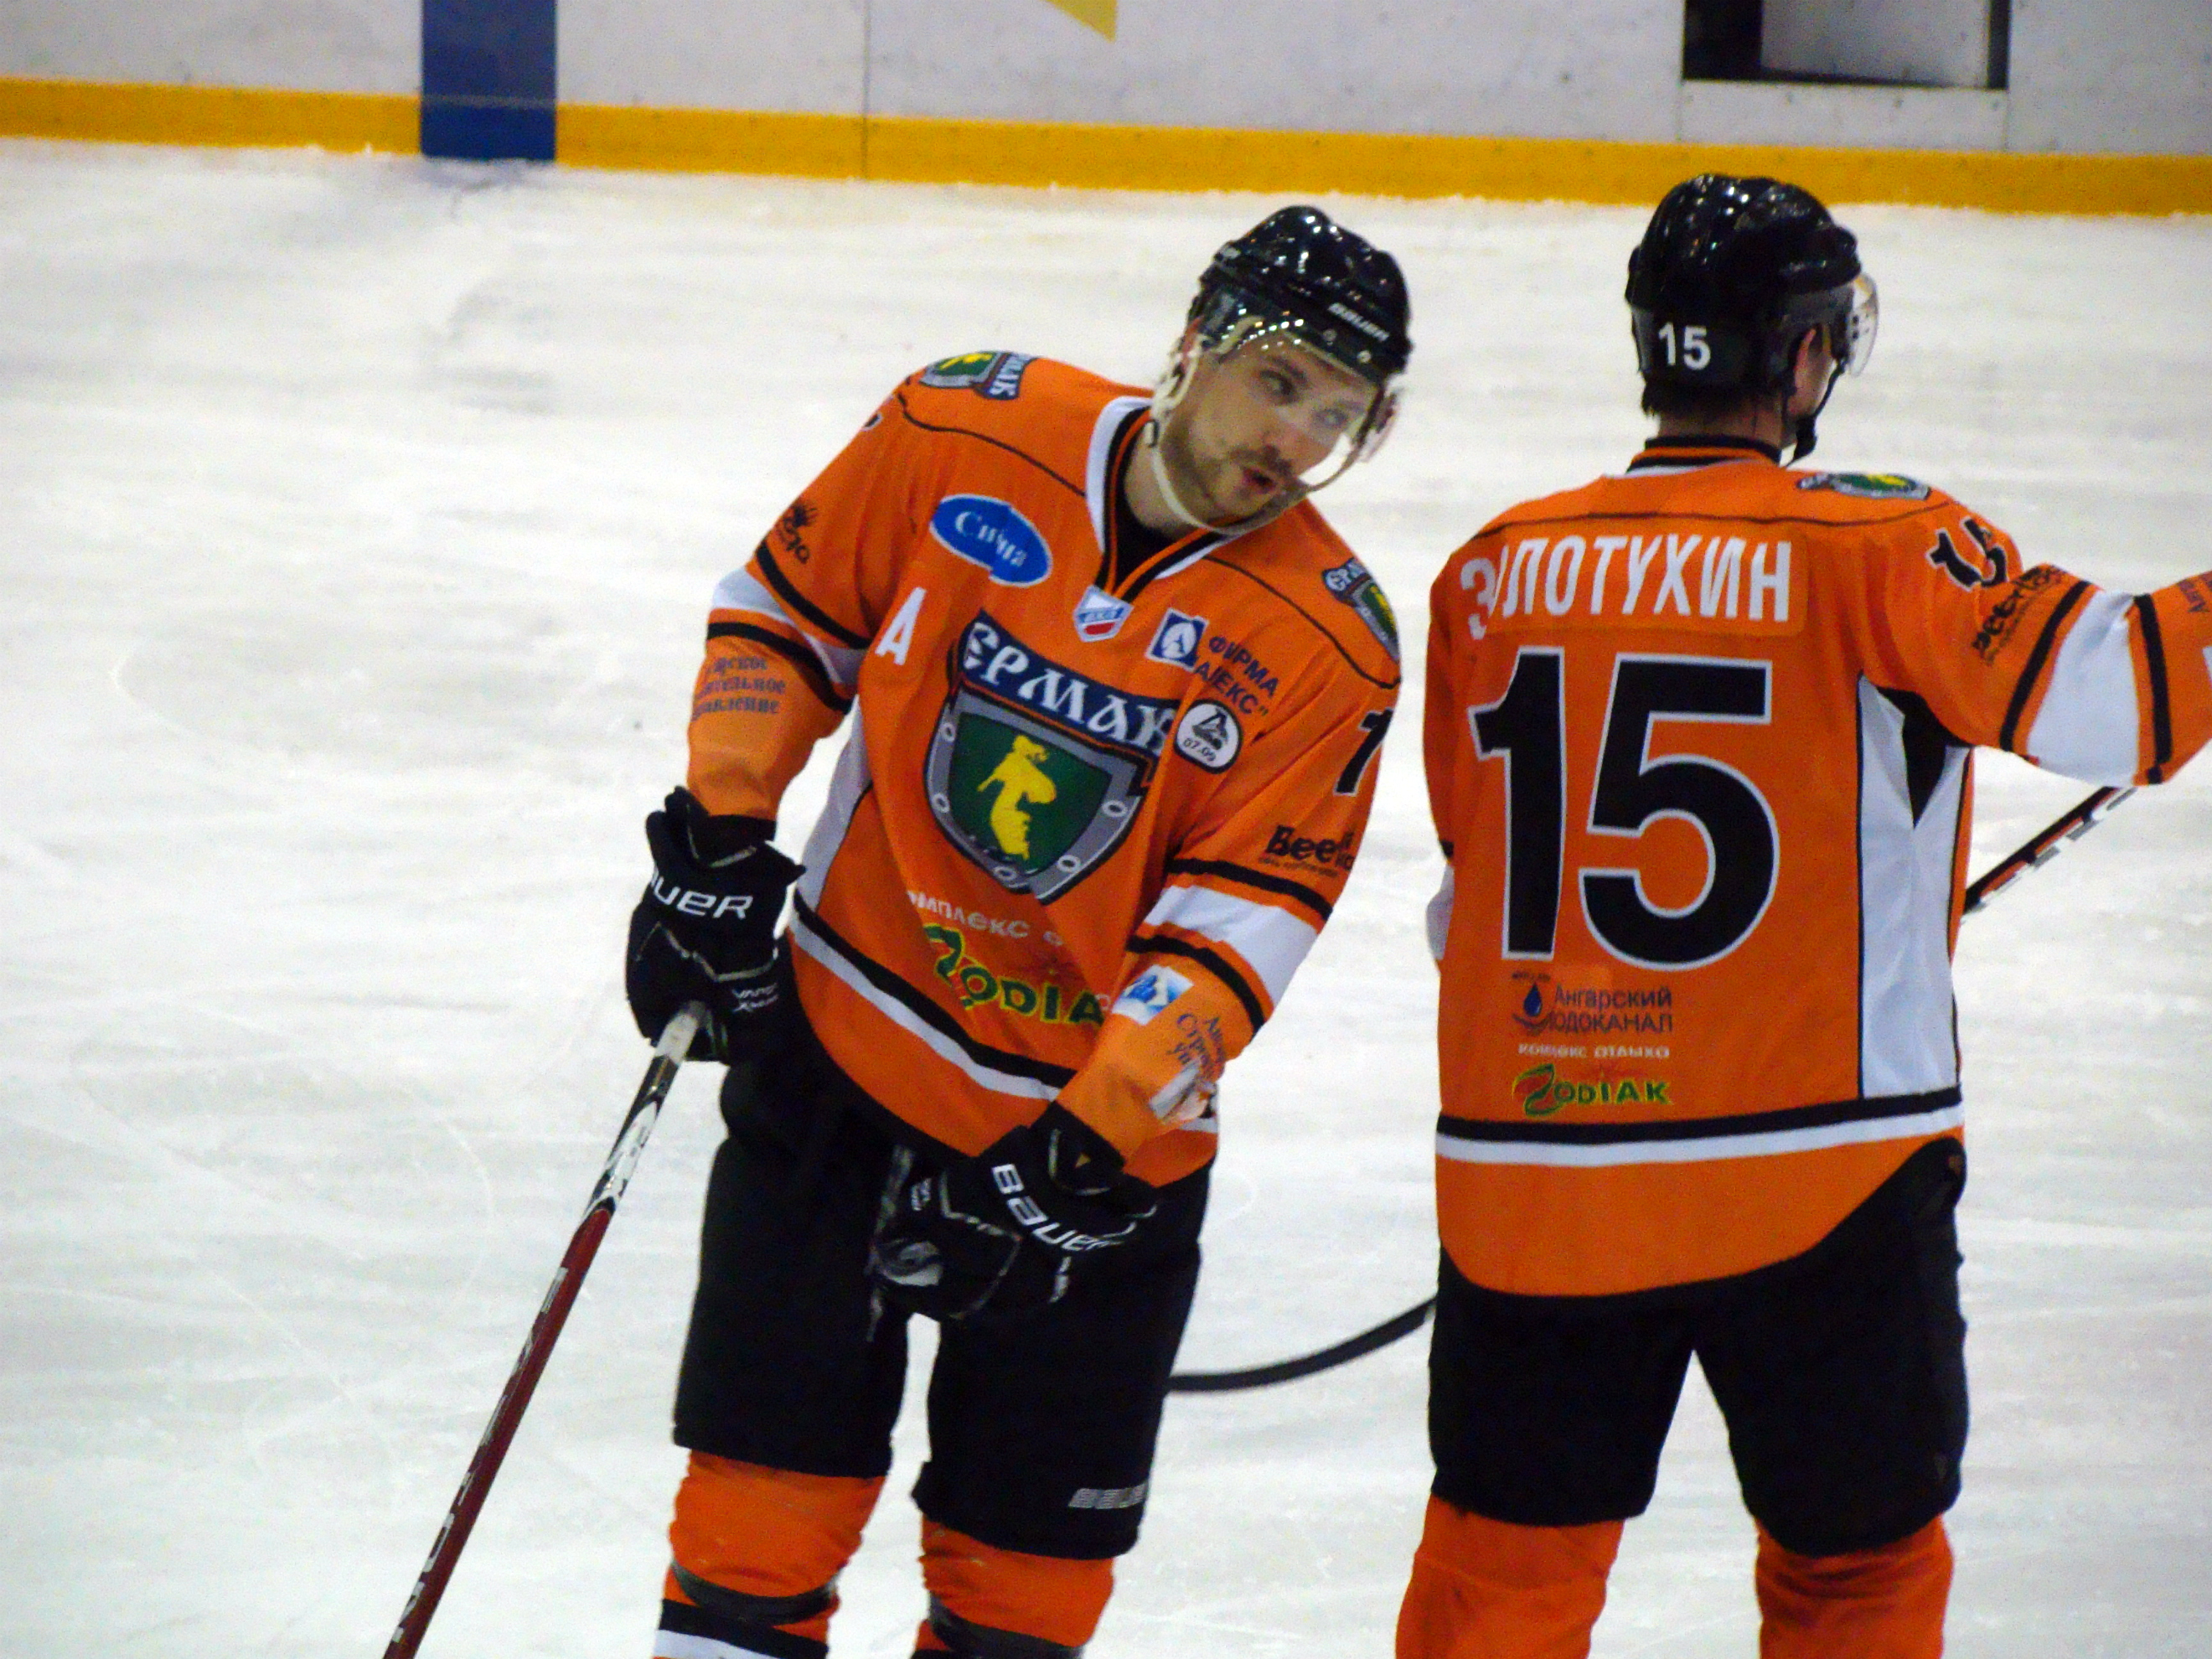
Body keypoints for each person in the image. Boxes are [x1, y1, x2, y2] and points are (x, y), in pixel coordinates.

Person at [1404, 173, 2212, 1658]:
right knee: (1857, 1575)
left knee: (1502, 1574)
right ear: (1803, 353)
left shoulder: (1494, 568)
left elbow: (1471, 894)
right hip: (1823, 1185)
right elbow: (2129, 695)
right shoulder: (1880, 545)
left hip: (1540, 1184)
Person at [623, 204, 1411, 1659]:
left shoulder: (1333, 640)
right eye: (1279, 381)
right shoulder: (964, 426)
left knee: (1021, 1607)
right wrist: (719, 845)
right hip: (841, 1065)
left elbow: (1241, 927)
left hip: (1086, 1160)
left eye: (1338, 415)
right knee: (749, 1546)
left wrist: (1079, 1152)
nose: (1295, 438)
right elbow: (789, 613)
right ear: (1194, 342)